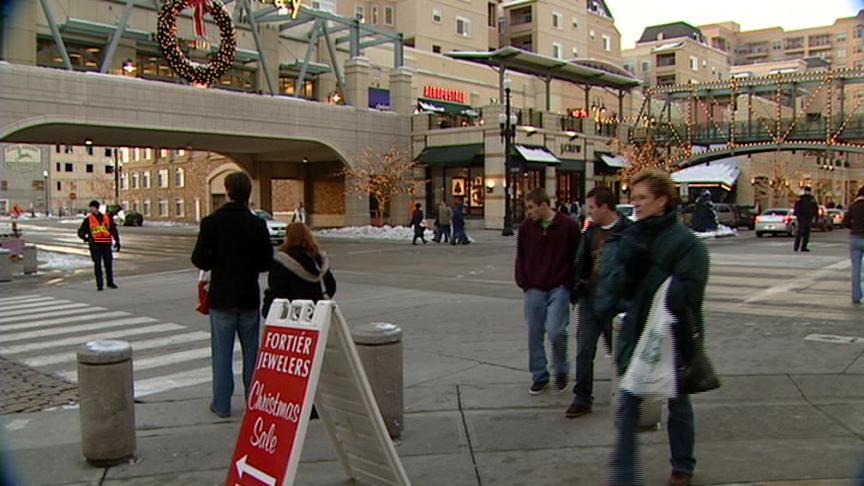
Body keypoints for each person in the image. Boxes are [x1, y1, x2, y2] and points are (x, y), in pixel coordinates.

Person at [596, 170, 709, 486]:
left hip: (674, 335)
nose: (636, 203)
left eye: (643, 197)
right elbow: (616, 285)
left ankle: (682, 466)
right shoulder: (632, 236)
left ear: (662, 200)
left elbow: (691, 291)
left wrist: (654, 276)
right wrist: (624, 272)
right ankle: (624, 475)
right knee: (629, 401)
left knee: (678, 402)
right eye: (633, 197)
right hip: (637, 331)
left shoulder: (686, 243)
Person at [191, 172, 273, 418]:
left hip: (221, 298)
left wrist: (217, 260)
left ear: (227, 191)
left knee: (222, 354)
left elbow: (199, 259)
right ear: (248, 193)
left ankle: (222, 404)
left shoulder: (211, 222)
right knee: (252, 355)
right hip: (248, 296)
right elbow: (266, 262)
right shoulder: (257, 224)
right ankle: (253, 401)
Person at [566, 187, 631, 418]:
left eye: (592, 207)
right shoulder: (590, 232)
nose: (589, 211)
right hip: (590, 299)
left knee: (619, 352)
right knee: (584, 350)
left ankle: (627, 396)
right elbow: (581, 261)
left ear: (605, 207)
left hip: (616, 302)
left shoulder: (628, 232)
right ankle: (582, 397)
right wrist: (577, 283)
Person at [515, 188, 582, 395]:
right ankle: (539, 375)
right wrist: (523, 282)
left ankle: (561, 369)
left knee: (556, 331)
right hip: (534, 286)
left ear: (544, 205)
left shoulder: (569, 226)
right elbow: (521, 255)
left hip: (559, 286)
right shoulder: (526, 228)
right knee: (534, 333)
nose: (529, 212)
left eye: (531, 207)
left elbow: (577, 257)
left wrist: (572, 284)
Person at [262, 222, 336, 317]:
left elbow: (276, 290)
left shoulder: (281, 261)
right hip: (316, 314)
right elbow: (331, 286)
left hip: (291, 316)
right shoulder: (319, 259)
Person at [77, 200, 120, 291]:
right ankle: (99, 284)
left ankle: (110, 282)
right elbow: (81, 231)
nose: (90, 209)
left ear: (97, 208)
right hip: (95, 245)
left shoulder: (106, 218)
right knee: (97, 265)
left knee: (108, 264)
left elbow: (113, 230)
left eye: (92, 207)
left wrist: (117, 241)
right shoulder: (88, 220)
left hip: (106, 243)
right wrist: (85, 238)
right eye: (90, 207)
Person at [845, 185, 864, 304]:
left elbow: (845, 222)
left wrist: (853, 227)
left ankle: (856, 296)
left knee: (856, 269)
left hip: (855, 238)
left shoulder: (853, 206)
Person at [794, 186, 818, 252]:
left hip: (809, 218)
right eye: (806, 191)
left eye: (808, 191)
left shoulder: (812, 199)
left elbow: (815, 208)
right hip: (802, 218)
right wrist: (798, 216)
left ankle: (804, 247)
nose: (807, 192)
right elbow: (797, 208)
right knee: (800, 233)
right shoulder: (801, 198)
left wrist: (815, 217)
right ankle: (796, 247)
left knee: (807, 234)